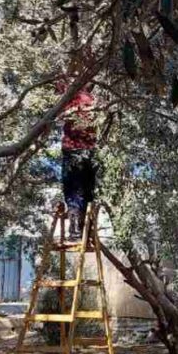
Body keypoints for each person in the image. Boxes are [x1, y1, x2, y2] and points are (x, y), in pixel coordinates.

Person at [59, 81, 98, 239]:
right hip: (90, 153)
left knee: (72, 190)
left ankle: (76, 231)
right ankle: (86, 231)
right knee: (87, 190)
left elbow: (60, 82)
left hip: (73, 152)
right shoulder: (93, 101)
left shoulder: (73, 96)